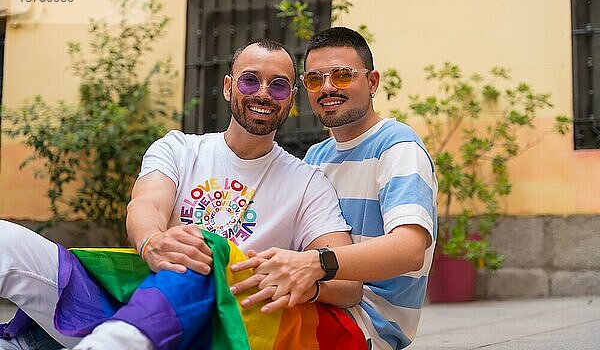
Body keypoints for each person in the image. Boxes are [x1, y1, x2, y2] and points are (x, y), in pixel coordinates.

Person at [0, 39, 362, 350]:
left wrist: (295, 277)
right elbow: (146, 203)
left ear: (291, 99)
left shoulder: (308, 183)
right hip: (131, 297)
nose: (263, 93)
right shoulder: (178, 148)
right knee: (5, 240)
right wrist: (153, 242)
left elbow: (347, 283)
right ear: (227, 87)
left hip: (217, 328)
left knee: (204, 251)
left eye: (278, 85)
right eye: (250, 81)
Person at [229, 27, 438, 350]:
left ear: (372, 82)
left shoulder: (397, 147)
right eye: (314, 79)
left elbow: (410, 249)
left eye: (342, 76)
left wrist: (316, 263)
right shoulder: (317, 156)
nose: (327, 88)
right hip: (317, 298)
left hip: (365, 321)